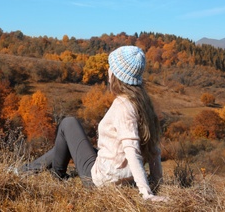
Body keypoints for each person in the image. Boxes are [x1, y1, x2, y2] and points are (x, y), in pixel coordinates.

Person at [18, 46, 168, 202]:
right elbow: (153, 149)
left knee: (68, 123)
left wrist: (146, 193)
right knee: (70, 143)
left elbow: (132, 149)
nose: (108, 70)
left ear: (117, 75)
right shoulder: (143, 104)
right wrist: (157, 181)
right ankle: (24, 170)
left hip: (102, 180)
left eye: (111, 67)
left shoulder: (123, 106)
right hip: (119, 171)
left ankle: (57, 176)